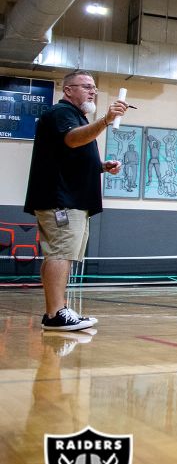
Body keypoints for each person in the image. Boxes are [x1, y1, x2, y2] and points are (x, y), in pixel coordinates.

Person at [23, 70, 128, 332]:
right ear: (68, 90)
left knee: (63, 254)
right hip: (61, 199)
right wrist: (106, 119)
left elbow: (69, 157)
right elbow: (72, 140)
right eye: (86, 87)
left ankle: (58, 310)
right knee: (59, 252)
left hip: (70, 198)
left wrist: (102, 166)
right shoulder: (62, 113)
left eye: (94, 88)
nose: (92, 91)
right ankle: (55, 313)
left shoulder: (75, 117)